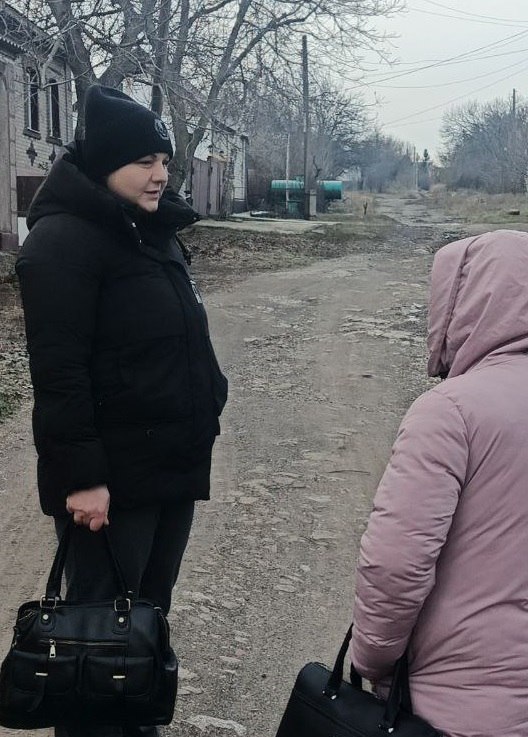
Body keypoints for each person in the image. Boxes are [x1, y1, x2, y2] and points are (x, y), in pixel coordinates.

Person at [351, 230, 528, 737]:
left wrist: (372, 657)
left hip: (452, 701)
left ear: (465, 300)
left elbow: (395, 565)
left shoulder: (448, 412)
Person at [15, 85, 228, 737]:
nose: (160, 174)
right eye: (144, 161)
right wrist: (82, 477)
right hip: (113, 481)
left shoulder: (152, 232)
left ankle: (134, 724)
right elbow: (60, 375)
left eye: (164, 160)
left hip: (169, 468)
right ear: (105, 162)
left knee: (142, 625)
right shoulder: (62, 242)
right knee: (95, 636)